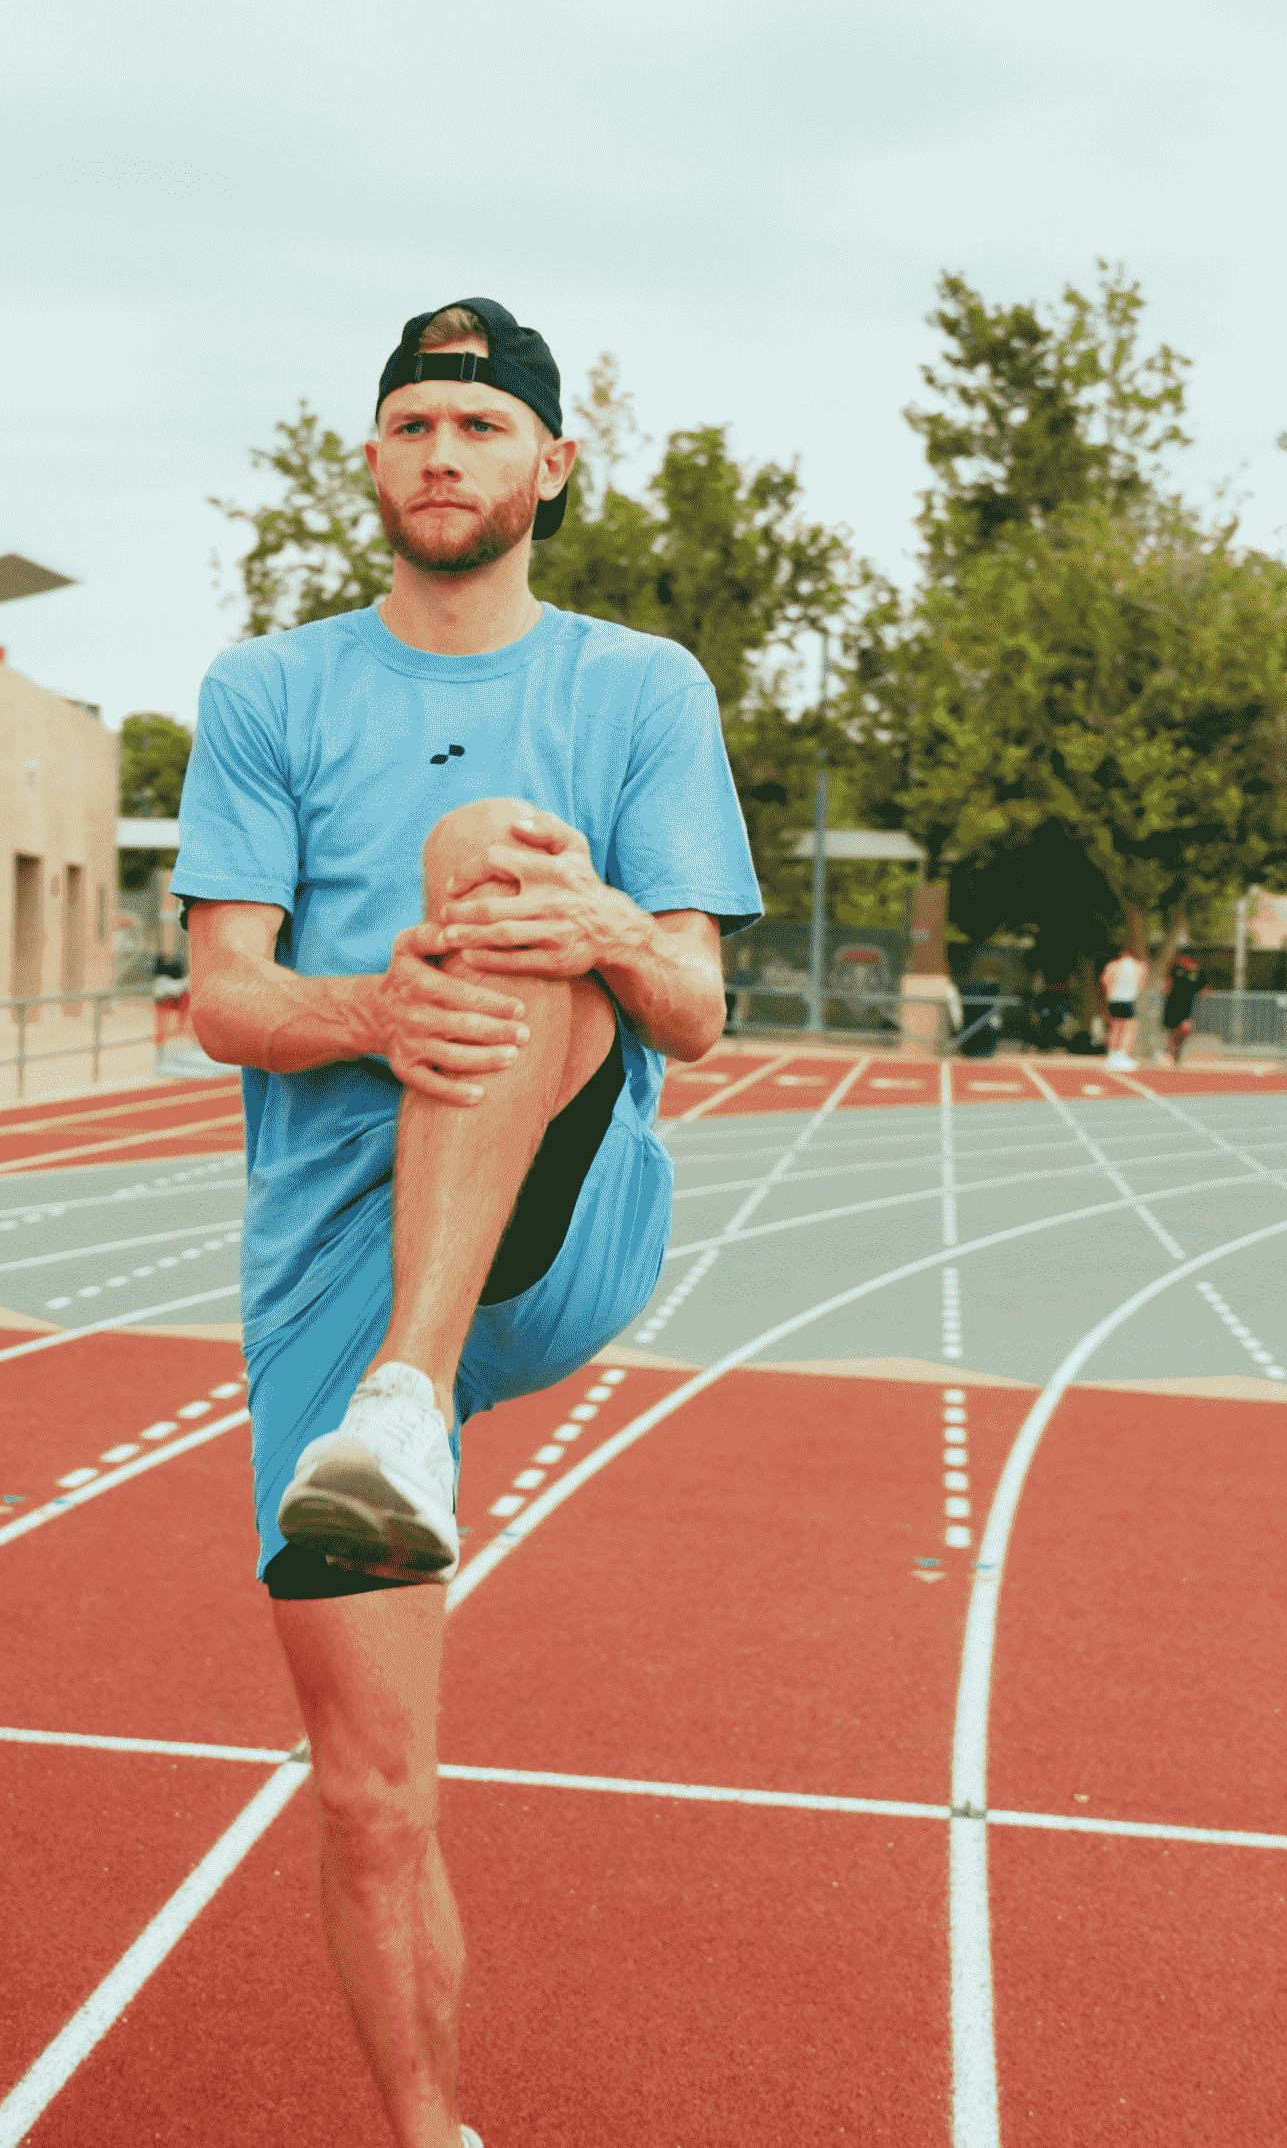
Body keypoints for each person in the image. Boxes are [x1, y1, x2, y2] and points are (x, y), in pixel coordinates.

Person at [171, 296, 763, 2148]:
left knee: (496, 858)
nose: (445, 454)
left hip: (559, 1218)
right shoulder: (268, 693)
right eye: (415, 424)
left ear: (550, 467)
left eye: (482, 428)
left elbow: (696, 1005)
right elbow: (226, 998)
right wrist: (371, 1011)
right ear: (371, 459)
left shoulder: (639, 687)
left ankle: (415, 1397)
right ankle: (434, 2137)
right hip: (330, 1271)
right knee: (371, 1792)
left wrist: (596, 933)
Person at [1099, 944, 1147, 1071]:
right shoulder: (1139, 966)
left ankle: (1112, 1055)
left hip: (1113, 999)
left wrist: (1110, 993)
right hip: (1128, 999)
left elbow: (1105, 981)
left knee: (1115, 1027)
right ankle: (1122, 1055)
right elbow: (1140, 984)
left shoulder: (1112, 965)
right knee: (1129, 1028)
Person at [1160, 951, 1206, 1067]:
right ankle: (1172, 1052)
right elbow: (1167, 983)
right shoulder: (1175, 970)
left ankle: (1176, 1048)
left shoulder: (1197, 973)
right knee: (1171, 1030)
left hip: (1187, 1006)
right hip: (1172, 1004)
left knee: (1185, 1028)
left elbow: (1203, 987)